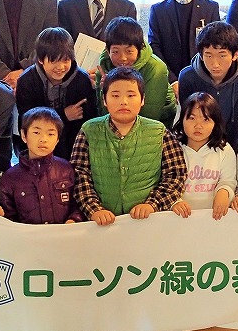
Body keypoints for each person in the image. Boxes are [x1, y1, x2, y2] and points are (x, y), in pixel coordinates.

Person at [71, 67, 187, 225]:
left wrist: (152, 204)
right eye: (115, 95)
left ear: (142, 99)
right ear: (104, 99)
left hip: (148, 223)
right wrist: (94, 209)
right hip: (101, 224)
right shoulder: (88, 131)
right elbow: (79, 175)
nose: (123, 101)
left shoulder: (159, 131)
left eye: (131, 95)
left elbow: (176, 174)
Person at [15, 27, 97, 161]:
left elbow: (86, 120)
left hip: (72, 147)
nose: (60, 67)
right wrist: (63, 114)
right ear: (41, 59)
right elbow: (26, 119)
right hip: (37, 146)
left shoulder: (81, 80)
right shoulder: (26, 81)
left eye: (66, 60)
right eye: (54, 61)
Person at [147, 0, 221, 92]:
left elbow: (215, 47)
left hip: (204, 82)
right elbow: (154, 47)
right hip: (168, 83)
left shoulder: (210, 8)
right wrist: (172, 81)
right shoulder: (158, 10)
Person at [177, 21, 238, 151]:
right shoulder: (187, 77)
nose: (215, 64)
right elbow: (187, 119)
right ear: (201, 55)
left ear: (235, 55)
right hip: (196, 145)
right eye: (208, 55)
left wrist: (223, 150)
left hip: (231, 146)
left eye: (222, 55)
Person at [0, 107, 85, 224]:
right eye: (36, 132)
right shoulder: (10, 177)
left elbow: (78, 203)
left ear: (57, 139)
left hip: (64, 237)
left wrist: (73, 219)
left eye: (50, 134)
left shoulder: (66, 169)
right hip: (28, 240)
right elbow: (9, 218)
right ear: (24, 135)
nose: (43, 139)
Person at [97, 17, 178, 128]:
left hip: (156, 125)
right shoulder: (103, 68)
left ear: (140, 48)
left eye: (129, 51)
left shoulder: (156, 68)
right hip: (116, 126)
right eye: (115, 51)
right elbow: (101, 116)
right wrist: (104, 91)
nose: (123, 58)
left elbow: (150, 116)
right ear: (107, 50)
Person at [171, 93, 238, 221]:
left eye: (205, 119)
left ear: (215, 122)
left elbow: (228, 181)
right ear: (182, 120)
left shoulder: (224, 149)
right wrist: (174, 201)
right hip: (179, 218)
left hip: (214, 218)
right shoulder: (173, 148)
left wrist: (224, 192)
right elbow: (166, 181)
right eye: (191, 118)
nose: (198, 125)